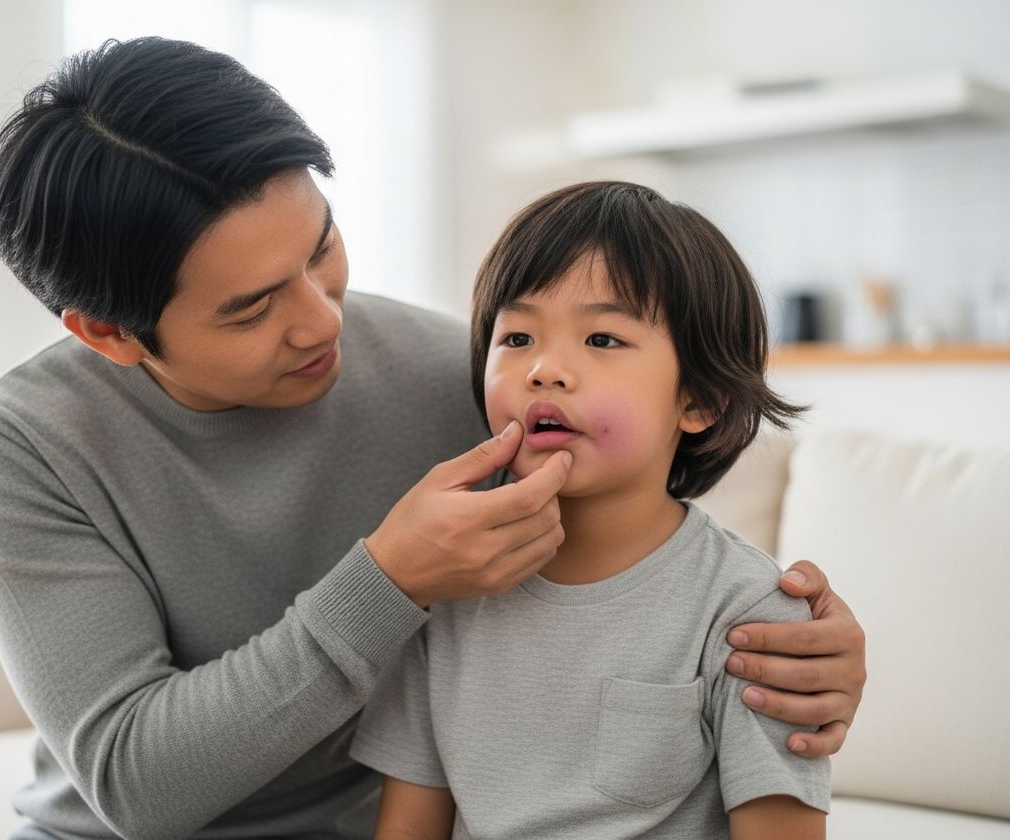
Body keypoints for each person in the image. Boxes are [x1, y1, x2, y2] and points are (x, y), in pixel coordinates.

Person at [0, 37, 864, 839]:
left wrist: (801, 655)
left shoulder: (466, 376)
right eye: (253, 308)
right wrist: (389, 582)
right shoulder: (23, 445)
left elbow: (640, 544)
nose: (320, 321)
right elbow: (136, 785)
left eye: (320, 247)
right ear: (107, 334)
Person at [349, 181, 833, 839]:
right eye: (517, 336)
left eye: (602, 340)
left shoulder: (752, 616)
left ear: (701, 401)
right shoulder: (445, 587)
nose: (545, 369)